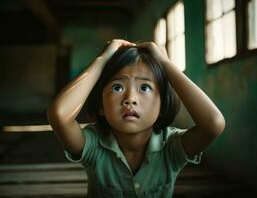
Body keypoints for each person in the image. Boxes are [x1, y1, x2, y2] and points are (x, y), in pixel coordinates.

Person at [47, 39, 225, 197]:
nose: (130, 99)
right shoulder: (94, 146)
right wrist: (102, 60)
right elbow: (60, 115)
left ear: (162, 105)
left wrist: (165, 62)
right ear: (101, 106)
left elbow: (213, 124)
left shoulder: (171, 148)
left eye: (145, 88)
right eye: (117, 87)